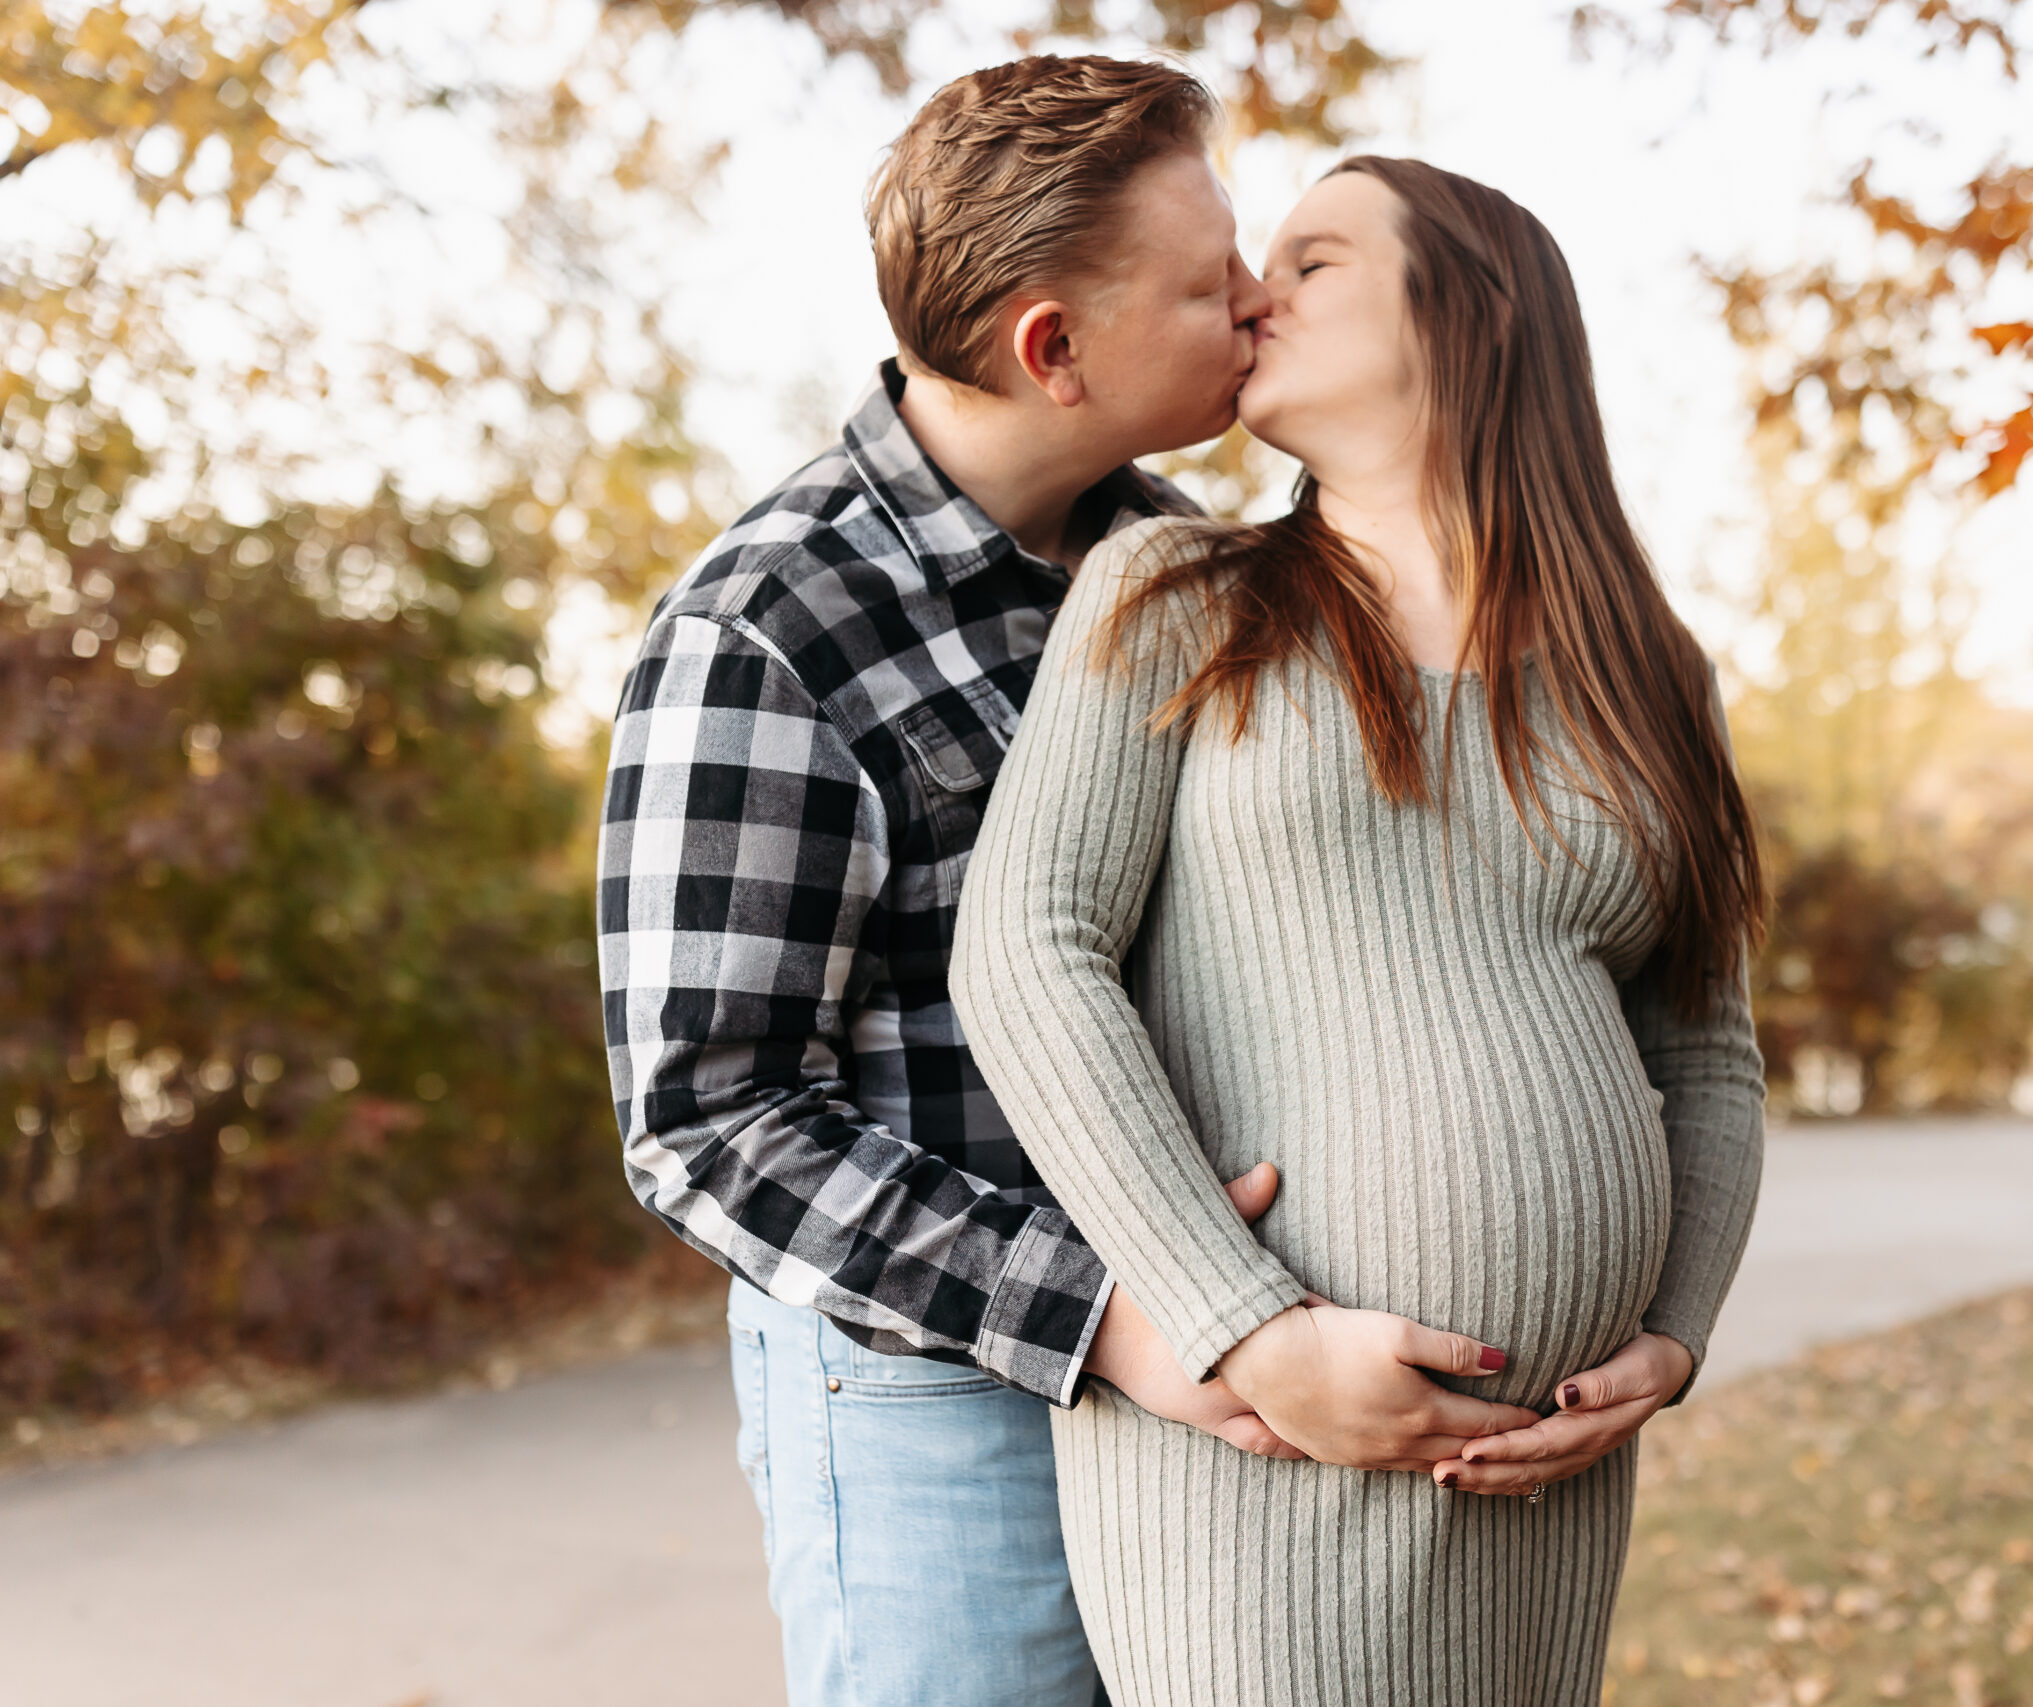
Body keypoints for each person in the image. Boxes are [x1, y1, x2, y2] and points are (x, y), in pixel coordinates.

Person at [595, 62, 1537, 1707]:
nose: (1255, 301)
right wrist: (1127, 1322)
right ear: (1055, 346)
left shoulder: (1169, 560)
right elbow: (710, 1122)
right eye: (1206, 281)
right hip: (944, 1410)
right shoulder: (768, 632)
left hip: (1232, 1355)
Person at [950, 156, 1770, 1706]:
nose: (1255, 293)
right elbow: (1027, 952)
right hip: (1266, 1454)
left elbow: (1708, 1054)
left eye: (1313, 263)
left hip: (1543, 1478)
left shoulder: (1647, 669)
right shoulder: (1176, 592)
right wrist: (1244, 1328)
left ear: (1476, 316)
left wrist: (1669, 1341)